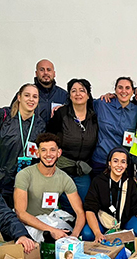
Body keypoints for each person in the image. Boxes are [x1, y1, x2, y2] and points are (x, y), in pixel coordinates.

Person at [0, 83, 46, 208]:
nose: (31, 99)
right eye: (27, 95)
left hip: (18, 181)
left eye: (35, 97)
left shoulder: (40, 125)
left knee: (10, 218)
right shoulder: (2, 116)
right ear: (19, 97)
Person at [14, 133, 86, 240]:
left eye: (52, 150)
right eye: (43, 150)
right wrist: (51, 230)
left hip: (50, 220)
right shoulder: (25, 175)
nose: (48, 154)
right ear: (37, 153)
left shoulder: (64, 178)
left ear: (59, 153)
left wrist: (74, 236)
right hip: (27, 224)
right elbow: (21, 213)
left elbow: (80, 212)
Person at [46, 78, 98, 214]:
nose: (78, 94)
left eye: (82, 91)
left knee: (84, 204)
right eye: (73, 91)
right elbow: (48, 139)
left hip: (83, 169)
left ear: (88, 95)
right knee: (65, 205)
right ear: (69, 95)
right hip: (61, 168)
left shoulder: (94, 116)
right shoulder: (60, 114)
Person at [82, 147, 137, 242]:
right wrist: (97, 233)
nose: (119, 165)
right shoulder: (98, 181)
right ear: (109, 163)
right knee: (87, 233)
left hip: (124, 221)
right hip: (104, 221)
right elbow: (90, 210)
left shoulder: (130, 183)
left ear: (127, 165)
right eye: (115, 161)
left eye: (123, 162)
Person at [90, 77, 137, 177]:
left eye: (127, 88)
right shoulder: (103, 104)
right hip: (101, 161)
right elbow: (81, 104)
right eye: (120, 88)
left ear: (132, 91)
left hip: (123, 164)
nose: (124, 91)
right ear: (115, 90)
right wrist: (63, 106)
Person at [31, 59, 68, 124]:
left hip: (56, 134)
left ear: (54, 74)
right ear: (36, 73)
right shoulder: (26, 94)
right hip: (33, 134)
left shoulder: (64, 95)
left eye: (49, 70)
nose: (45, 73)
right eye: (42, 70)